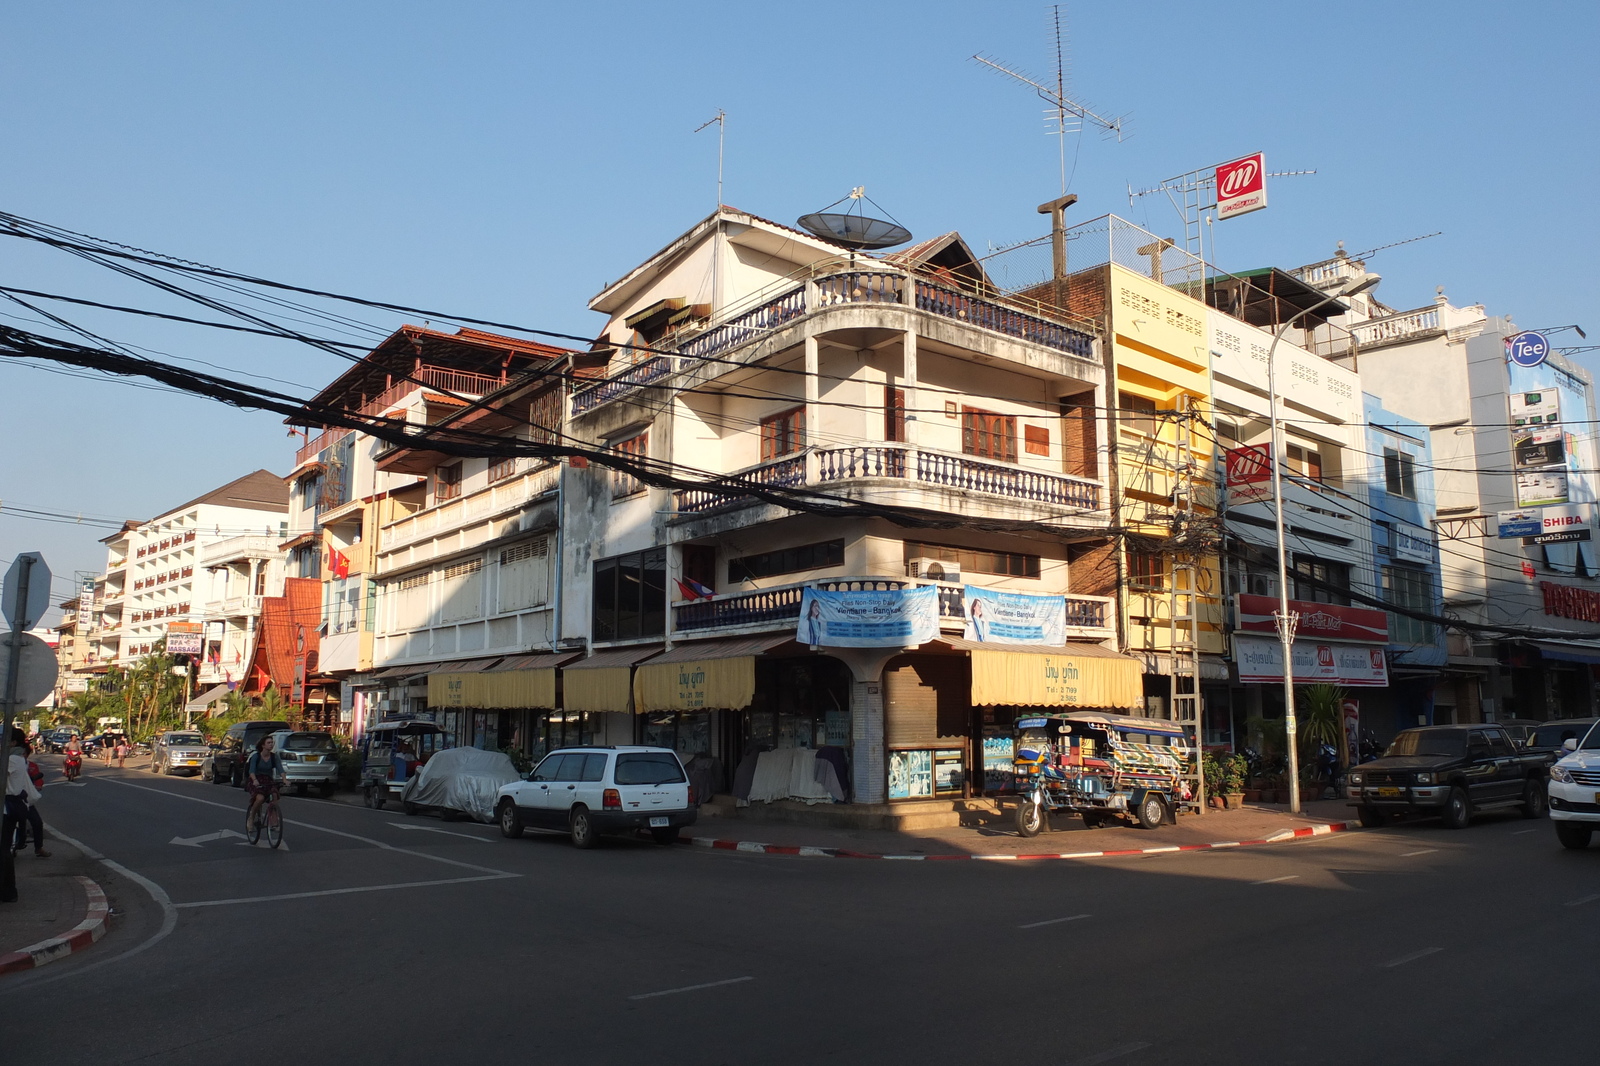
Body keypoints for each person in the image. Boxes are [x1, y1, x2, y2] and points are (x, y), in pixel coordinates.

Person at [4, 728, 47, 863]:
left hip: (13, 800)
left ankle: (37, 847)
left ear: (13, 742)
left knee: (36, 823)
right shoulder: (15, 758)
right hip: (17, 799)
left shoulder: (12, 759)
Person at [244, 735, 284, 831]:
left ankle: (274, 821)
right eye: (268, 743)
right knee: (260, 798)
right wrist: (255, 780)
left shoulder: (274, 757)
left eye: (272, 743)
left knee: (274, 795)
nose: (271, 745)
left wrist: (284, 779)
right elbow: (251, 771)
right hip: (256, 779)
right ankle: (251, 817)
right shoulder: (256, 757)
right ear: (263, 745)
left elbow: (281, 769)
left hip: (268, 780)